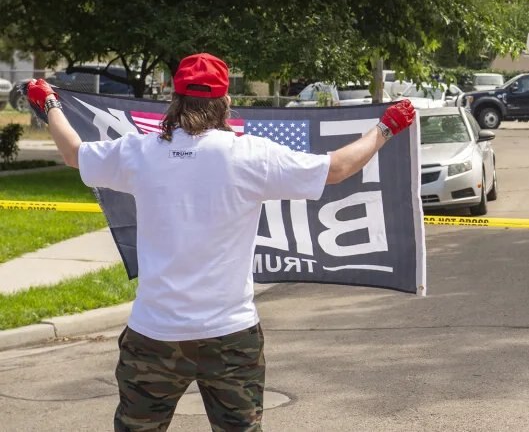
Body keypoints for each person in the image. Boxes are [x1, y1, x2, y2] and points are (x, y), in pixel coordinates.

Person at [26, 53, 416, 432]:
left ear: (174, 101)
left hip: (155, 334)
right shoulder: (250, 156)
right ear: (224, 102)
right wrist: (385, 127)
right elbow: (337, 169)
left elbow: (75, 154)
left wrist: (51, 104)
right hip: (230, 336)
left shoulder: (139, 152)